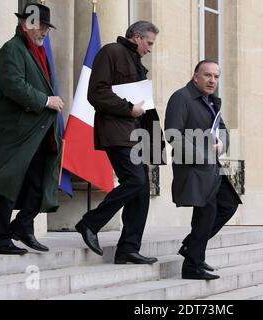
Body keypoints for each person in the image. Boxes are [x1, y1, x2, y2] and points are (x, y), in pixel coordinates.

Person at [0, 4, 65, 255]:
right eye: (40, 25)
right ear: (26, 24)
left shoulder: (36, 51)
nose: (44, 31)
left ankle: (22, 225)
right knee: (7, 186)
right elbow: (13, 85)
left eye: (46, 27)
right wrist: (46, 101)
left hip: (38, 131)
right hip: (15, 133)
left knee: (37, 182)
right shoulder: (12, 49)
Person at [75, 21, 165, 265]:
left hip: (135, 135)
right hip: (116, 132)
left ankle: (128, 248)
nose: (150, 49)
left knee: (141, 190)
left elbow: (145, 106)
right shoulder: (110, 52)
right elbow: (96, 92)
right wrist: (127, 109)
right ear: (137, 37)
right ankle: (90, 223)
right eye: (149, 43)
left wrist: (156, 143)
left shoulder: (138, 64)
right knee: (135, 180)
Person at [165, 60, 242, 280]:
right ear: (195, 76)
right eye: (207, 75)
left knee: (228, 204)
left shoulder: (211, 101)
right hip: (193, 167)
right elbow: (172, 133)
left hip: (211, 166)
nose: (212, 80)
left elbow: (223, 131)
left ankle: (191, 248)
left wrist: (221, 144)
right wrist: (201, 155)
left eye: (216, 77)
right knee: (205, 212)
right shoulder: (181, 97)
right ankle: (192, 265)